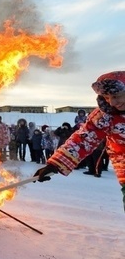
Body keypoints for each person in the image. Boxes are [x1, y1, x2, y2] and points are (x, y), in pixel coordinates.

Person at [33, 71, 125, 212]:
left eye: (116, 96)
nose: (112, 102)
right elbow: (82, 139)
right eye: (106, 97)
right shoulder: (104, 116)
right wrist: (55, 165)